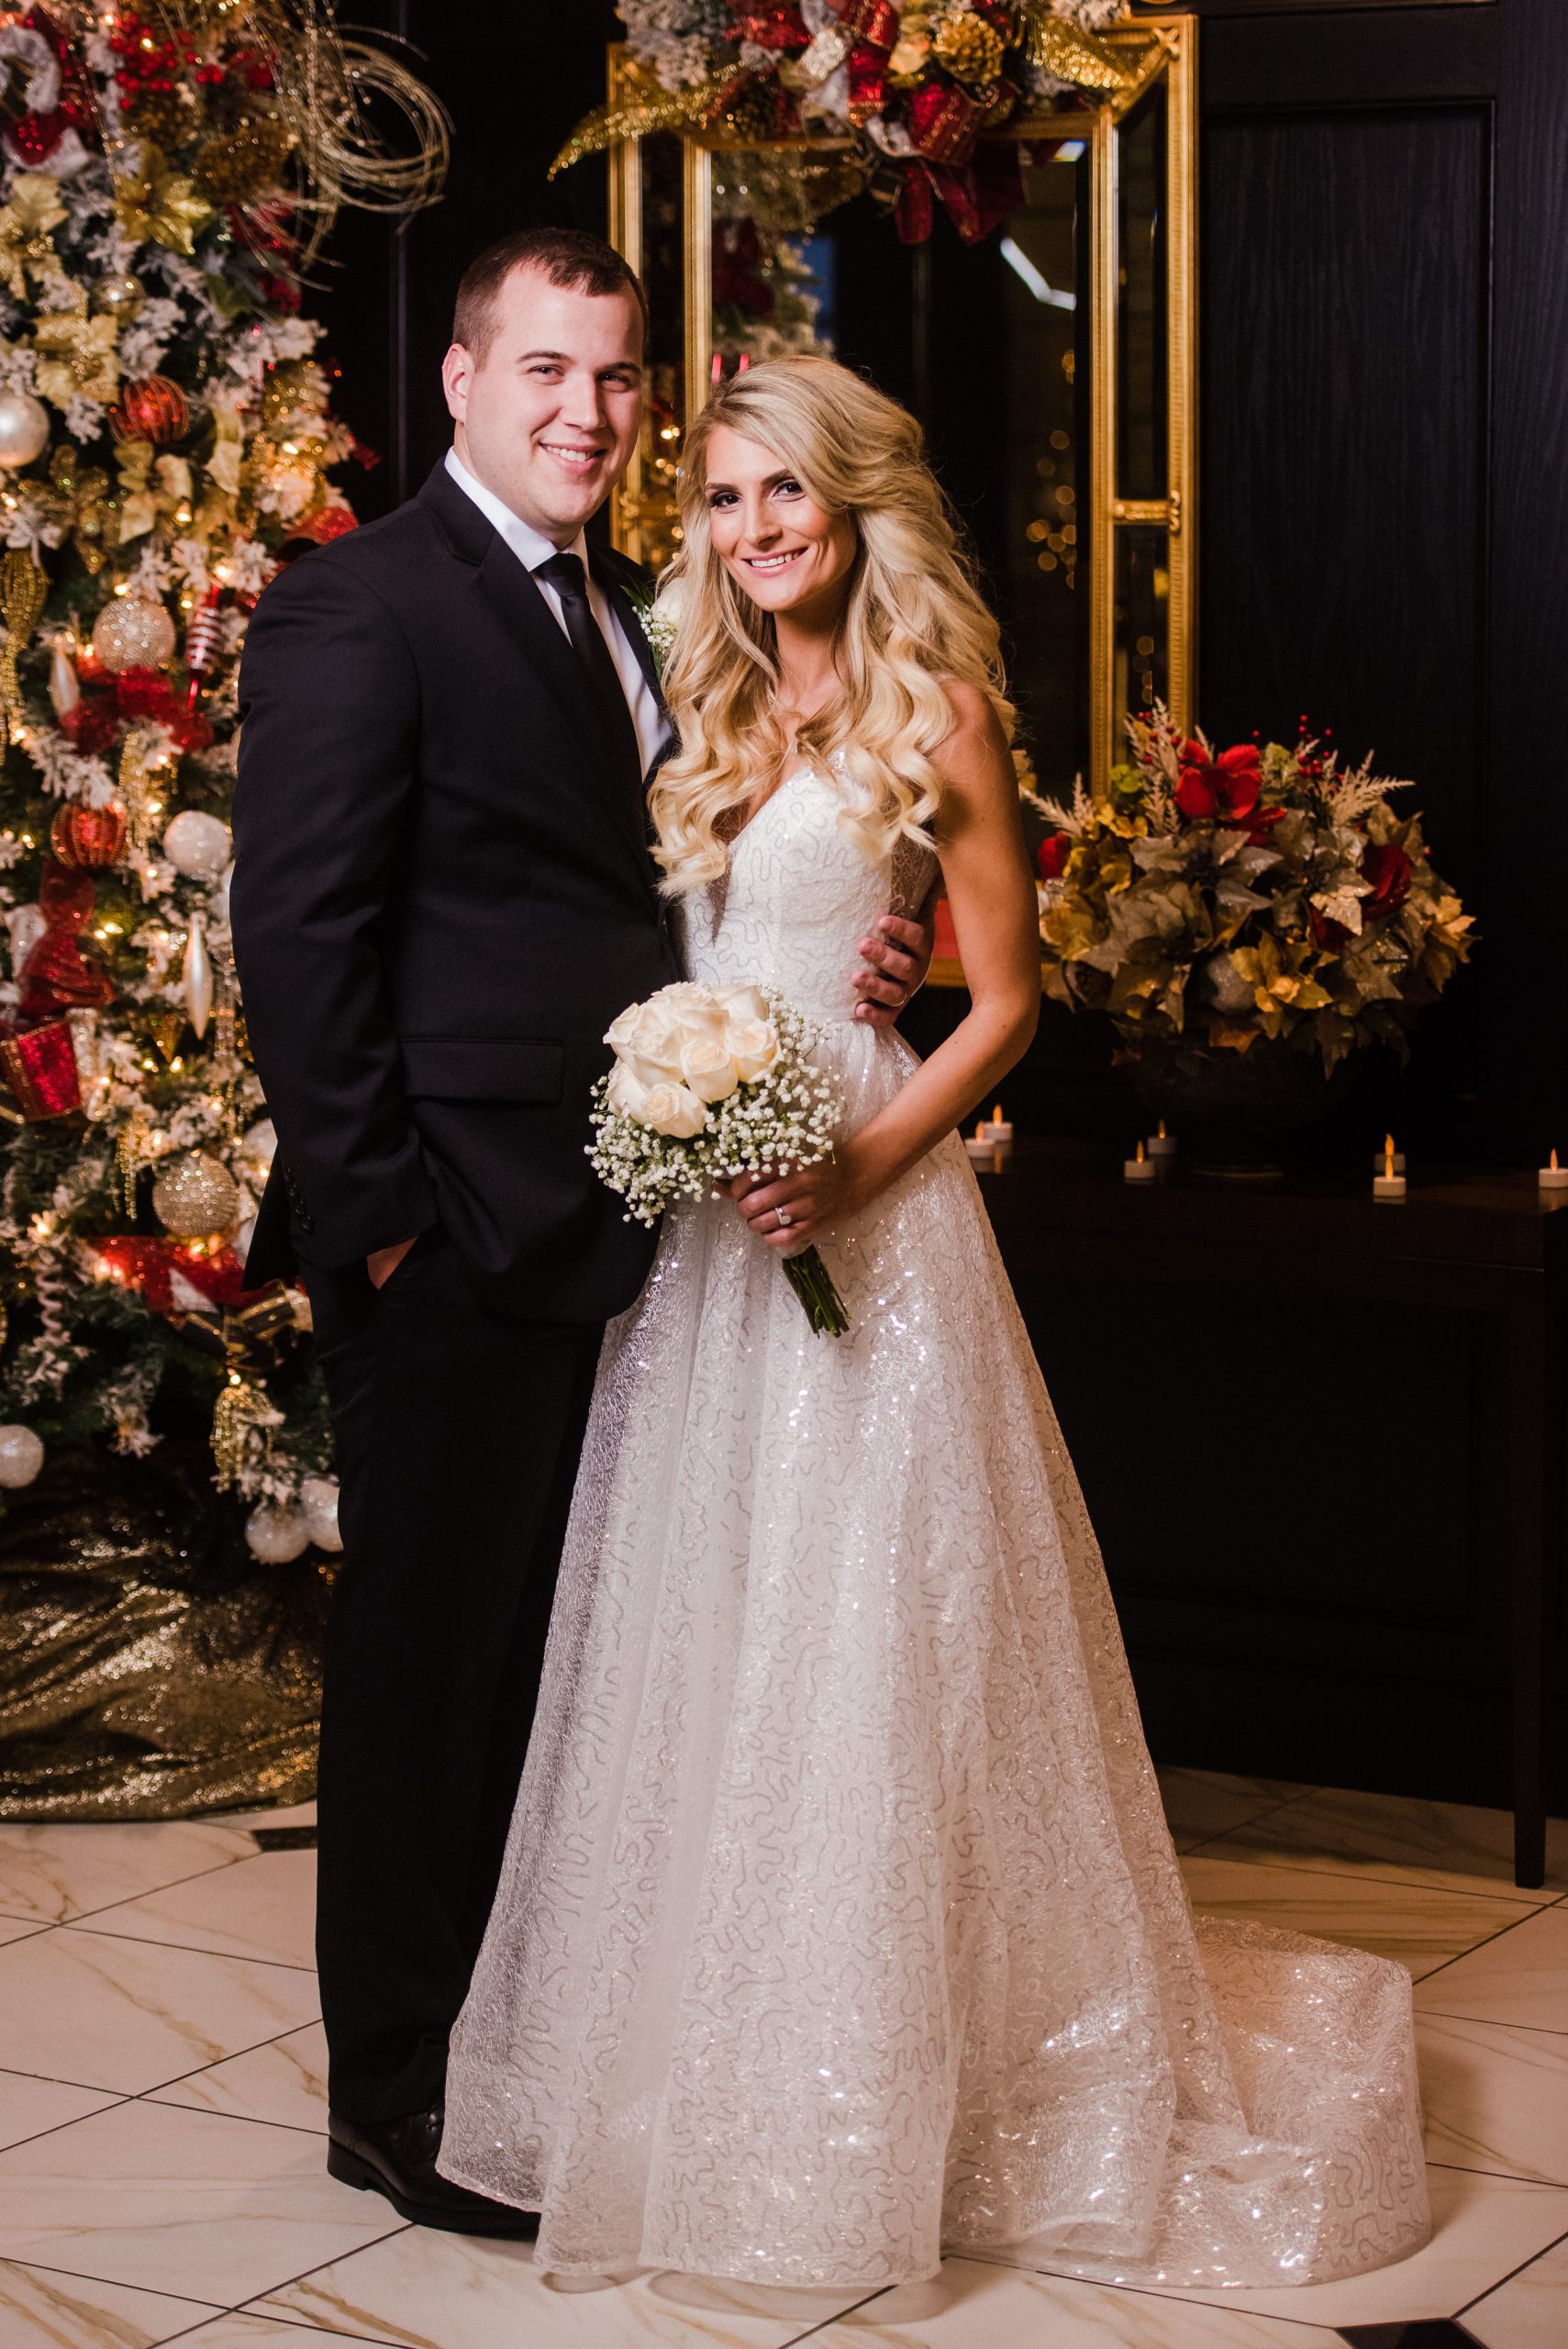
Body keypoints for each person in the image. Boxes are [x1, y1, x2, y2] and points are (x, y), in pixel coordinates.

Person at [438, 355, 1432, 2292]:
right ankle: (708, 2070)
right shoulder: (697, 707)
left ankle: (893, 2087)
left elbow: (1003, 1001)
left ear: (856, 499)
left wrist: (864, 1159)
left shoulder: (939, 712)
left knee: (876, 1627)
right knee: (704, 1629)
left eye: (785, 492)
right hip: (714, 1226)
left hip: (865, 1213)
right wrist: (688, 1101)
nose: (755, 530)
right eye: (721, 500)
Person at [228, 234, 930, 2239]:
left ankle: (522, 2061)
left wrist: (845, 944)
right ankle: (398, 2099)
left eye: (616, 381)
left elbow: (657, 888)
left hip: (621, 1220)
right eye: (544, 369)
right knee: (431, 1673)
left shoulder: (636, 609)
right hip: (450, 1233)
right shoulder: (363, 600)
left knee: (552, 1673)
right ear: (457, 381)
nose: (586, 413)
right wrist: (379, 1235)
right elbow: (300, 937)